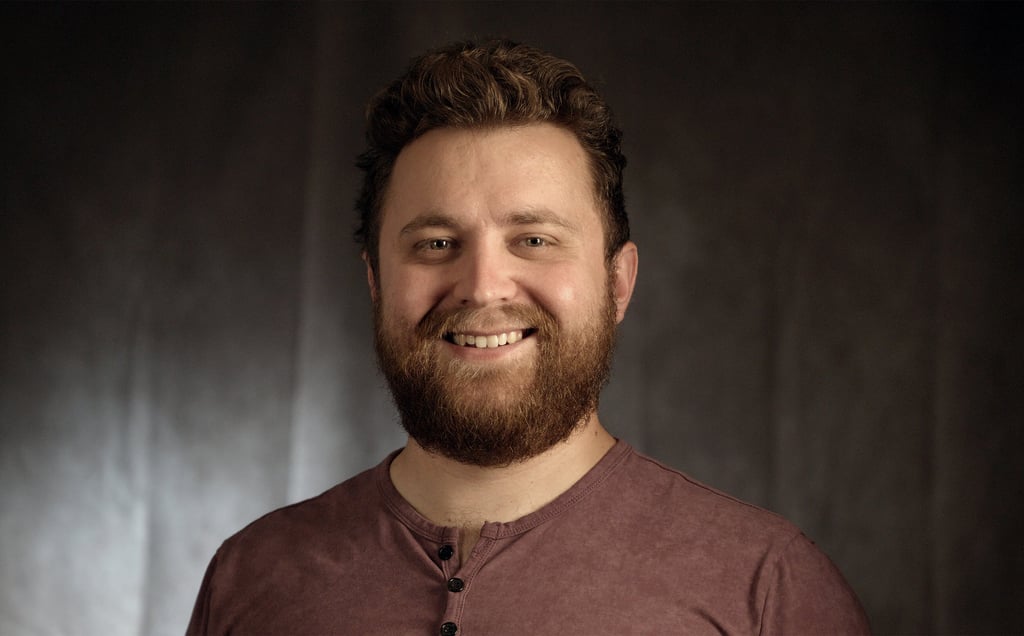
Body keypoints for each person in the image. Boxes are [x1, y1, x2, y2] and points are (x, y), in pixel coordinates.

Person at [187, 39, 870, 635]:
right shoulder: (251, 578)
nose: (484, 287)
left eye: (534, 240)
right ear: (376, 282)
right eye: (436, 243)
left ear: (618, 283)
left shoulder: (765, 587)